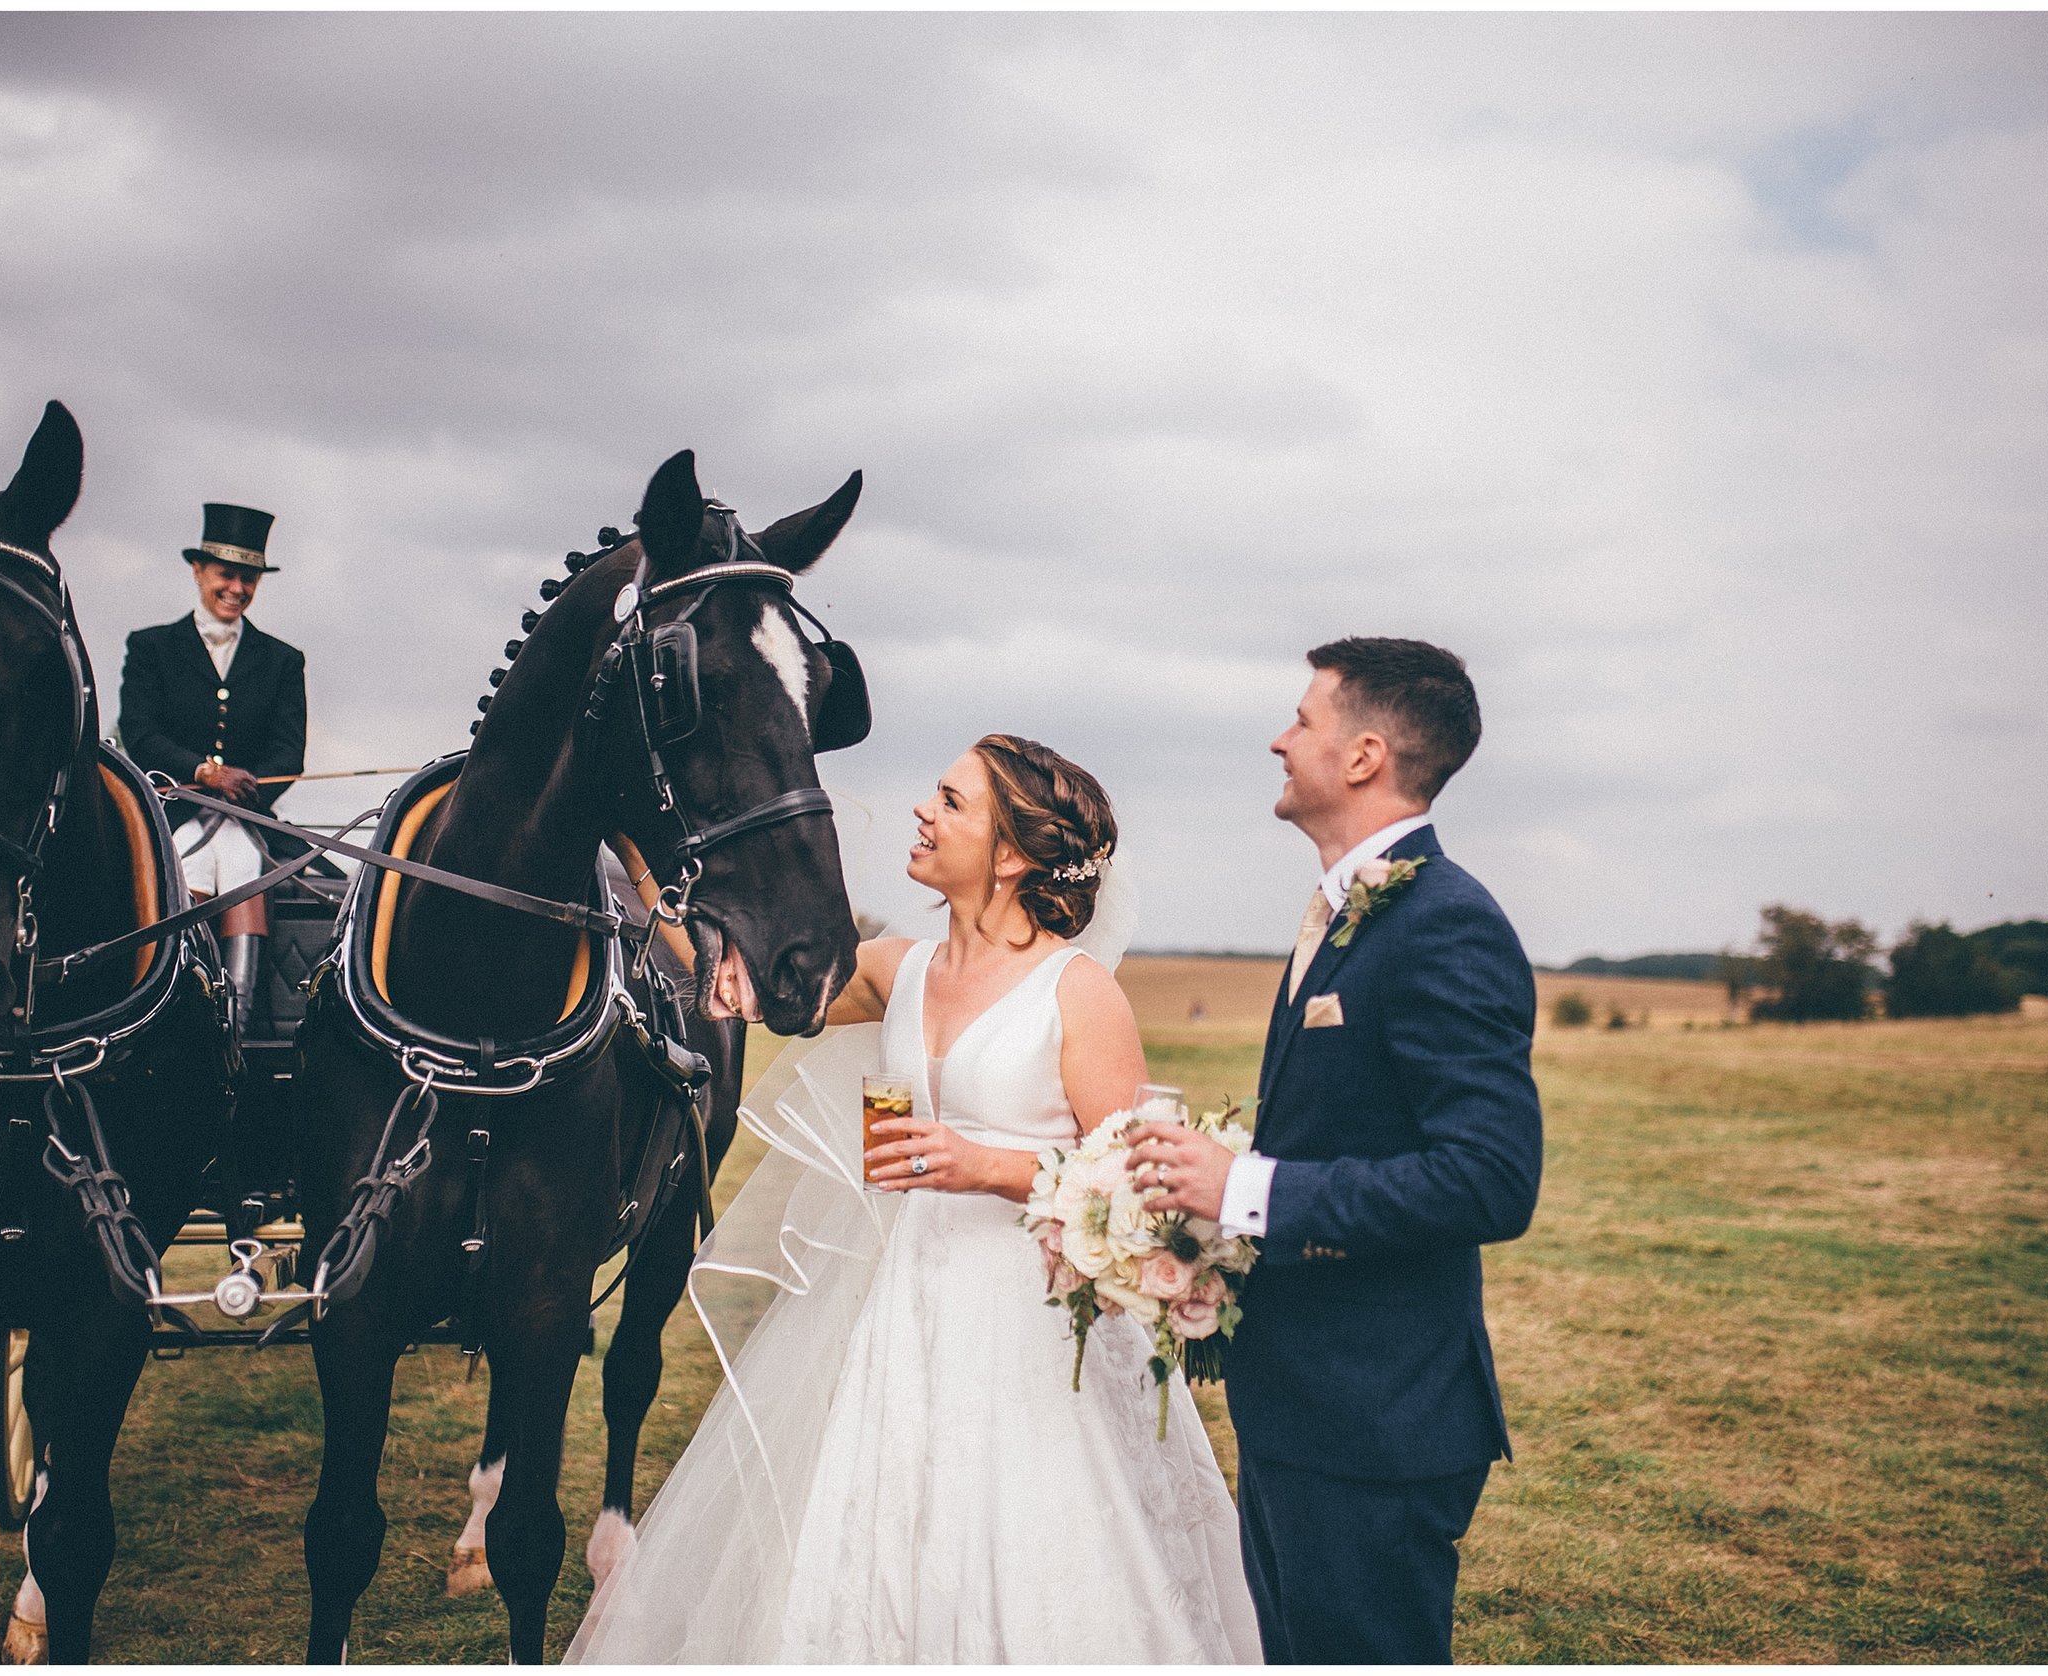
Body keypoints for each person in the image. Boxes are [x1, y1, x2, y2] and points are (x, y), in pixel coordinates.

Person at [567, 734, 1260, 1664]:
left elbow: (1134, 1186)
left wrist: (987, 1166)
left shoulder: (1080, 993)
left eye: (951, 800)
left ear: (1011, 854)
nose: (923, 812)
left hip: (1034, 1324)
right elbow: (741, 982)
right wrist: (641, 874)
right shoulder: (898, 967)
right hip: (896, 1303)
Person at [1126, 637, 1543, 1663]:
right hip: (1306, 1403)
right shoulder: (1351, 910)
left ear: (1361, 756)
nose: (1279, 736)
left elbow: (1491, 1176)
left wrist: (1250, 1186)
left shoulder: (1444, 921)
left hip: (1378, 1421)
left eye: (1302, 719)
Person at [116, 503, 306, 1012]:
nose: (237, 589)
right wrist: (202, 773)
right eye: (226, 574)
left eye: (249, 579)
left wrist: (244, 788)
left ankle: (237, 1013)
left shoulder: (284, 661)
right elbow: (140, 731)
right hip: (176, 805)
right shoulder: (151, 648)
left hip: (248, 814)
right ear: (199, 570)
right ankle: (183, 999)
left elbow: (289, 752)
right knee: (189, 858)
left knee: (243, 858)